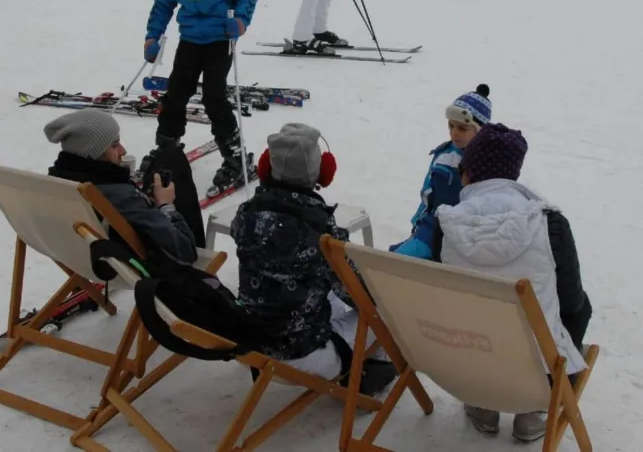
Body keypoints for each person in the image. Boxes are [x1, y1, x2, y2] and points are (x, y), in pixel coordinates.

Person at [431, 123, 591, 442]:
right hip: (536, 379)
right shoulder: (550, 224)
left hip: (467, 372)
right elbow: (573, 305)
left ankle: (482, 404)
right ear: (513, 173)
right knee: (578, 306)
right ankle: (534, 411)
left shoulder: (445, 224)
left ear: (469, 172)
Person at [231, 123, 397, 391]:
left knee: (324, 292)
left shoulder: (246, 215)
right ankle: (366, 374)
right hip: (300, 354)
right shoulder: (321, 233)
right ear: (321, 173)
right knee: (386, 313)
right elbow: (363, 297)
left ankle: (367, 368)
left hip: (250, 339)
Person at [145, 0, 259, 192]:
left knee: (213, 96)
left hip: (221, 37)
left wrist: (241, 21)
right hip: (191, 37)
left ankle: (235, 157)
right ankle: (167, 150)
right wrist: (152, 36)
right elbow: (163, 3)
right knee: (176, 93)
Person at [44, 109, 198, 263]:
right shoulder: (120, 197)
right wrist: (166, 205)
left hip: (84, 259)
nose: (123, 151)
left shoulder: (57, 183)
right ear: (93, 152)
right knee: (174, 160)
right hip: (146, 264)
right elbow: (185, 250)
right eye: (115, 145)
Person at [391, 85, 492, 259]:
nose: (454, 133)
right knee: (399, 259)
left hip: (467, 234)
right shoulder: (443, 155)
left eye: (462, 128)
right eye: (451, 126)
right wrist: (417, 224)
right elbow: (427, 193)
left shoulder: (488, 161)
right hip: (433, 226)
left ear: (479, 130)